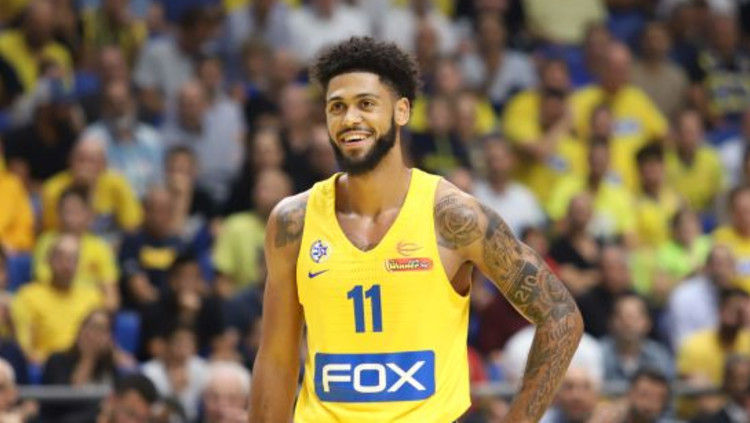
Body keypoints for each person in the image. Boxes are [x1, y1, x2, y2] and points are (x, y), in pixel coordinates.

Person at [249, 37, 583, 422]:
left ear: (402, 110)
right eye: (336, 107)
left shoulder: (453, 218)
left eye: (366, 104)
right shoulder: (293, 221)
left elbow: (561, 317)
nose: (349, 118)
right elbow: (276, 359)